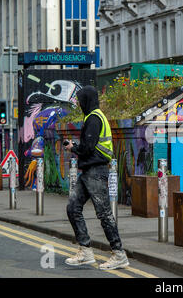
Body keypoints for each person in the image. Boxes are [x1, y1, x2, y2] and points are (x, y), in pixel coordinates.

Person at [64, 85, 129, 270]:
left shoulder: (94, 118)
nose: (78, 103)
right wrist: (77, 145)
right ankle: (85, 251)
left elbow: (87, 148)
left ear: (87, 100)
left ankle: (119, 254)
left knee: (104, 213)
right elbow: (89, 144)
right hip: (89, 171)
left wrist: (72, 148)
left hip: (96, 171)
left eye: (80, 99)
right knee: (73, 207)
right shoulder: (93, 117)